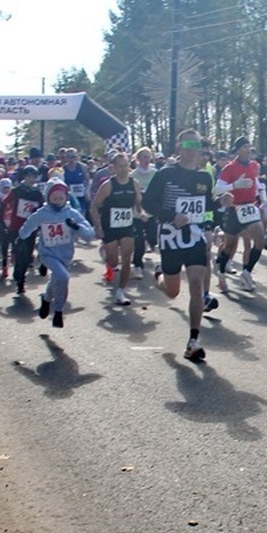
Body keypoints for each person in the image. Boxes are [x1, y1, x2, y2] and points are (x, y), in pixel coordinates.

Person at [142, 128, 216, 362]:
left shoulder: (204, 177)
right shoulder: (166, 174)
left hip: (194, 236)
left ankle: (193, 341)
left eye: (197, 145)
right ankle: (159, 277)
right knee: (172, 292)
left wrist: (220, 206)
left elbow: (205, 206)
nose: (193, 150)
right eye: (188, 145)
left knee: (196, 282)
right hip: (170, 235)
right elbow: (147, 203)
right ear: (179, 148)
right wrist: (170, 215)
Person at [18, 180, 96, 328]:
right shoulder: (43, 213)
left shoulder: (71, 213)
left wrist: (76, 226)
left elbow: (89, 235)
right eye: (54, 199)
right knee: (63, 277)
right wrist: (21, 236)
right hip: (47, 254)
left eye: (61, 198)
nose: (58, 202)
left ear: (66, 198)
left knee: (57, 278)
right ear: (48, 198)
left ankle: (46, 299)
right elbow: (28, 226)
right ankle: (59, 311)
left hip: (65, 255)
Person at [214, 136, 266, 293]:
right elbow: (217, 190)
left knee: (260, 240)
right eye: (244, 147)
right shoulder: (229, 168)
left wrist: (261, 192)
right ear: (237, 150)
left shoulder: (254, 165)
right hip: (234, 209)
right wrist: (235, 185)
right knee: (229, 246)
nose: (248, 150)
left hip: (250, 208)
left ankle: (246, 272)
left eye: (249, 147)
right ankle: (221, 273)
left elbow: (255, 181)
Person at [91, 152, 142, 306]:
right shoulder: (108, 185)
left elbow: (138, 203)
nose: (124, 169)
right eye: (120, 166)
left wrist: (142, 213)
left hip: (127, 226)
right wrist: (98, 226)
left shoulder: (134, 183)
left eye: (126, 165)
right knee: (113, 263)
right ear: (113, 168)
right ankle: (105, 252)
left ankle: (121, 291)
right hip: (110, 227)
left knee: (127, 259)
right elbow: (94, 206)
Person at [4, 165, 46, 294]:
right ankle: (20, 280)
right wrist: (4, 220)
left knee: (27, 255)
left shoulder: (37, 193)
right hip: (16, 227)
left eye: (34, 176)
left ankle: (20, 273)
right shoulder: (17, 191)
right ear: (24, 177)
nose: (32, 179)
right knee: (20, 252)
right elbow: (5, 203)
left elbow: (42, 210)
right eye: (29, 176)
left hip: (31, 228)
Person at [130, 146, 159, 279]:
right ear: (138, 159)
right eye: (143, 157)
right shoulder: (133, 176)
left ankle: (149, 243)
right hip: (137, 214)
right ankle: (137, 265)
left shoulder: (155, 173)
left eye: (148, 157)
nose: (146, 160)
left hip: (152, 212)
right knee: (139, 241)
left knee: (153, 238)